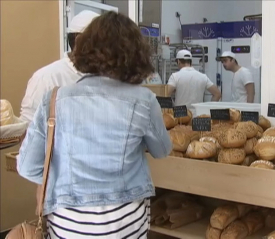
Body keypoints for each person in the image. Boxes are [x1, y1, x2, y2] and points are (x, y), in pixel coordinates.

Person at [17, 11, 172, 238]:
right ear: (135, 53)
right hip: (125, 219)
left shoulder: (54, 99)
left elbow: (28, 167)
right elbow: (162, 150)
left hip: (68, 220)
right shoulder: (143, 100)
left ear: (83, 48)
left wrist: (65, 178)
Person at [20, 10, 100, 123]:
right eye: (101, 40)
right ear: (79, 41)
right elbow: (28, 127)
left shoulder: (110, 77)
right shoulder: (46, 78)